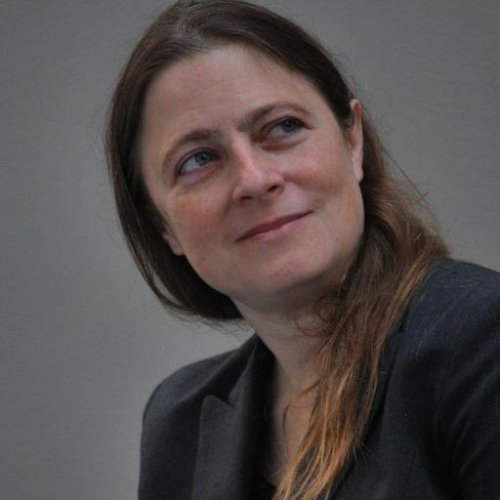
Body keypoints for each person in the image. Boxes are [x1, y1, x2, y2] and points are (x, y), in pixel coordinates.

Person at [106, 1, 500, 498]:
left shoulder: (483, 340)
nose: (254, 180)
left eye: (282, 127)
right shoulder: (178, 420)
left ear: (352, 141)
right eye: (198, 159)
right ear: (162, 226)